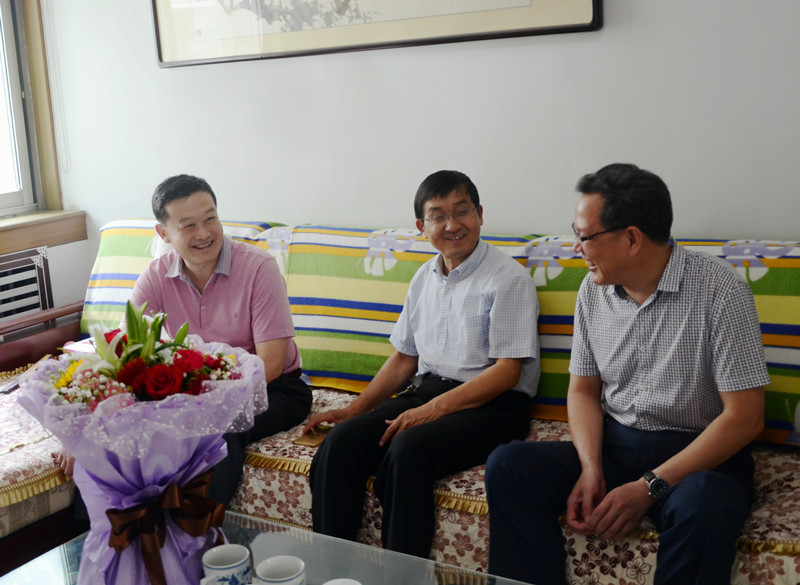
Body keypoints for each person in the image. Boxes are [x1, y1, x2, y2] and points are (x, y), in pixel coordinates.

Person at [485, 163, 770, 585]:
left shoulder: (720, 290)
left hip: (699, 459)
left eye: (585, 236)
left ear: (632, 238)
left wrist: (650, 486)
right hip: (617, 446)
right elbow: (582, 392)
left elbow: (745, 417)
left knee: (703, 504)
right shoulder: (592, 291)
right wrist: (590, 467)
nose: (576, 248)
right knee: (508, 466)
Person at [303, 169, 540, 558]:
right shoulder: (423, 277)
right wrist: (354, 409)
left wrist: (431, 411)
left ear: (480, 214)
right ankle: (333, 568)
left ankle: (401, 574)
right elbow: (404, 359)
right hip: (428, 392)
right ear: (421, 226)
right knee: (342, 442)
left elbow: (506, 372)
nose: (452, 225)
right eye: (438, 216)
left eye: (462, 211)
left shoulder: (507, 278)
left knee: (408, 448)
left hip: (495, 405)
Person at [128, 174, 312, 505]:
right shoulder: (155, 277)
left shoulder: (259, 268)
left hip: (276, 389)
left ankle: (200, 531)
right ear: (164, 233)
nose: (204, 233)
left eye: (210, 219)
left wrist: (202, 404)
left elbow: (270, 364)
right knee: (130, 429)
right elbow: (129, 354)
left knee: (215, 429)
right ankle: (114, 529)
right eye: (188, 225)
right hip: (194, 393)